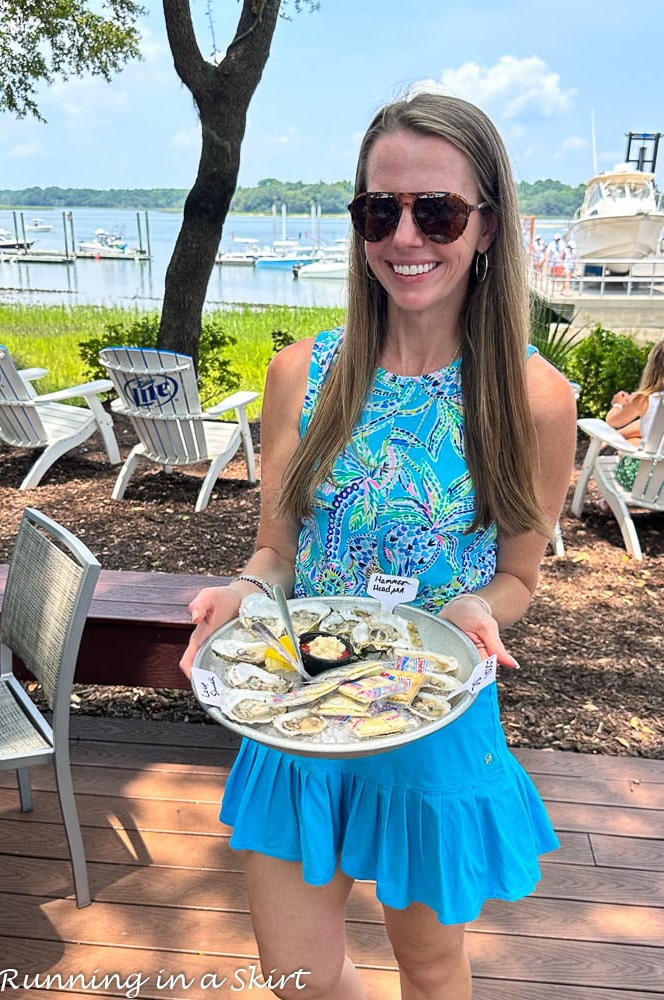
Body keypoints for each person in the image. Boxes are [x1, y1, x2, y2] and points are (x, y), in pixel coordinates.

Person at [180, 92, 577, 1000]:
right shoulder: (300, 374)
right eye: (379, 209)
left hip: (432, 717)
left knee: (431, 968)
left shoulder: (532, 396)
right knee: (298, 976)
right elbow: (274, 553)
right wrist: (239, 591)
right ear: (360, 221)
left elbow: (518, 573)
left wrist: (480, 605)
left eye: (436, 211)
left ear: (485, 227)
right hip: (298, 705)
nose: (406, 236)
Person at [604, 340, 664, 489]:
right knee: (638, 440)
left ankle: (608, 502)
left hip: (645, 482)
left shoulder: (644, 399)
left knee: (628, 447)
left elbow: (612, 421)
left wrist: (618, 403)